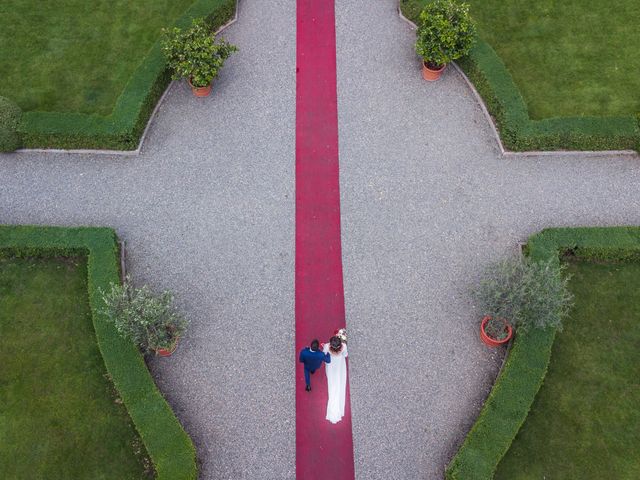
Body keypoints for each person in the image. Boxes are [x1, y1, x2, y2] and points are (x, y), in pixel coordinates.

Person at [323, 335, 348, 423]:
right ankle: (337, 410)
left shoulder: (327, 346)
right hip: (340, 364)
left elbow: (324, 353)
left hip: (331, 365)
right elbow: (345, 355)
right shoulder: (344, 347)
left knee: (332, 384)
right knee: (340, 382)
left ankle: (333, 410)